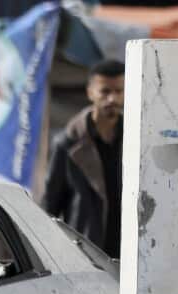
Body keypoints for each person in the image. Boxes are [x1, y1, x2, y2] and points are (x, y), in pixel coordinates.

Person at [43, 59, 126, 258]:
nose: (112, 99)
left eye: (118, 91)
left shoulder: (137, 138)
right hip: (86, 257)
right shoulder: (67, 143)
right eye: (105, 91)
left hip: (130, 257)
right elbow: (50, 206)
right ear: (90, 92)